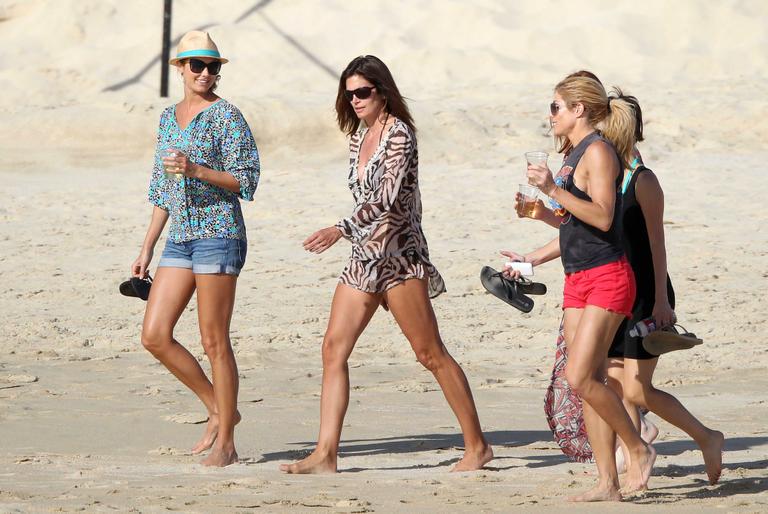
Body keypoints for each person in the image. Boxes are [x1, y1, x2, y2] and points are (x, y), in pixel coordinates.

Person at [280, 55, 492, 474]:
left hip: (398, 258)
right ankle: (326, 454)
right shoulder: (359, 139)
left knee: (429, 353)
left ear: (383, 92)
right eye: (349, 93)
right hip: (364, 258)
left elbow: (386, 198)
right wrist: (351, 234)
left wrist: (339, 229)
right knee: (332, 349)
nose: (355, 100)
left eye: (363, 92)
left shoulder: (400, 135)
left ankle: (478, 445)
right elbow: (365, 199)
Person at [502, 74, 655, 501]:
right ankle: (607, 482)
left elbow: (605, 217)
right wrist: (541, 216)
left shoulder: (600, 152)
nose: (550, 115)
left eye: (555, 107)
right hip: (578, 277)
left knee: (581, 376)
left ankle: (637, 446)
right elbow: (577, 223)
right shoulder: (572, 156)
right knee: (584, 381)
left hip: (608, 276)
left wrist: (551, 188)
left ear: (578, 110)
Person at [130, 31, 260, 467]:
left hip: (219, 233)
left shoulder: (227, 116)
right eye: (197, 66)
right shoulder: (168, 118)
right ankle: (221, 408)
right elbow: (161, 187)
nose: (206, 73)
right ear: (181, 69)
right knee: (154, 335)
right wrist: (147, 247)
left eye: (213, 67)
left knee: (214, 339)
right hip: (179, 237)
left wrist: (197, 169)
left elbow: (246, 181)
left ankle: (227, 441)